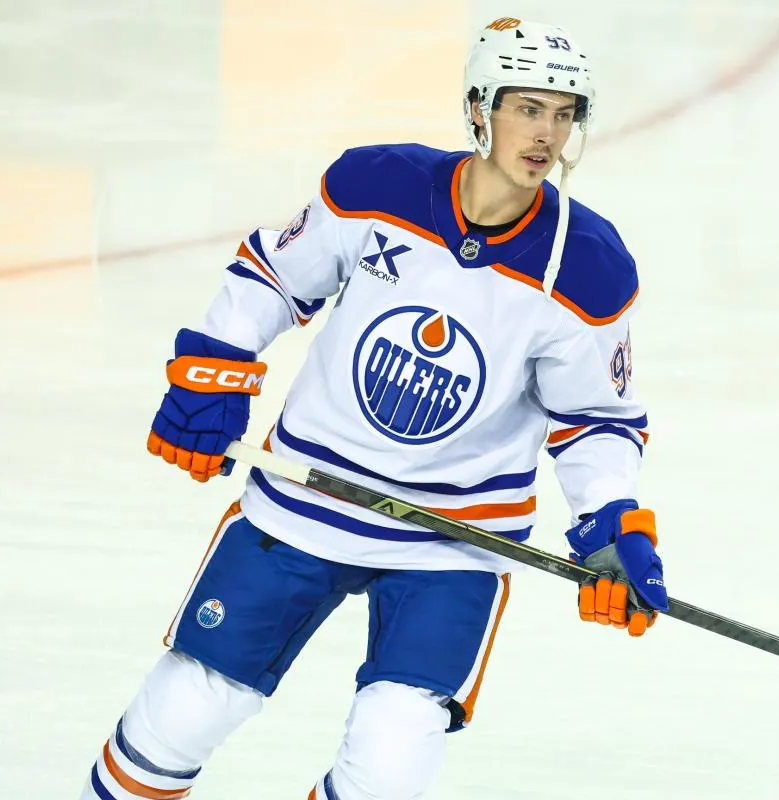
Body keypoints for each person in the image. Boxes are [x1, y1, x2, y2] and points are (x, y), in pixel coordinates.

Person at [78, 17, 668, 800]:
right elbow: (278, 274)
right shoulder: (377, 186)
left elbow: (596, 417)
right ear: (479, 105)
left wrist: (608, 520)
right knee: (181, 714)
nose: (546, 134)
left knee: (389, 766)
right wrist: (214, 367)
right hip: (305, 501)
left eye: (564, 114)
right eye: (528, 108)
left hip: (450, 542)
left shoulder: (587, 265)